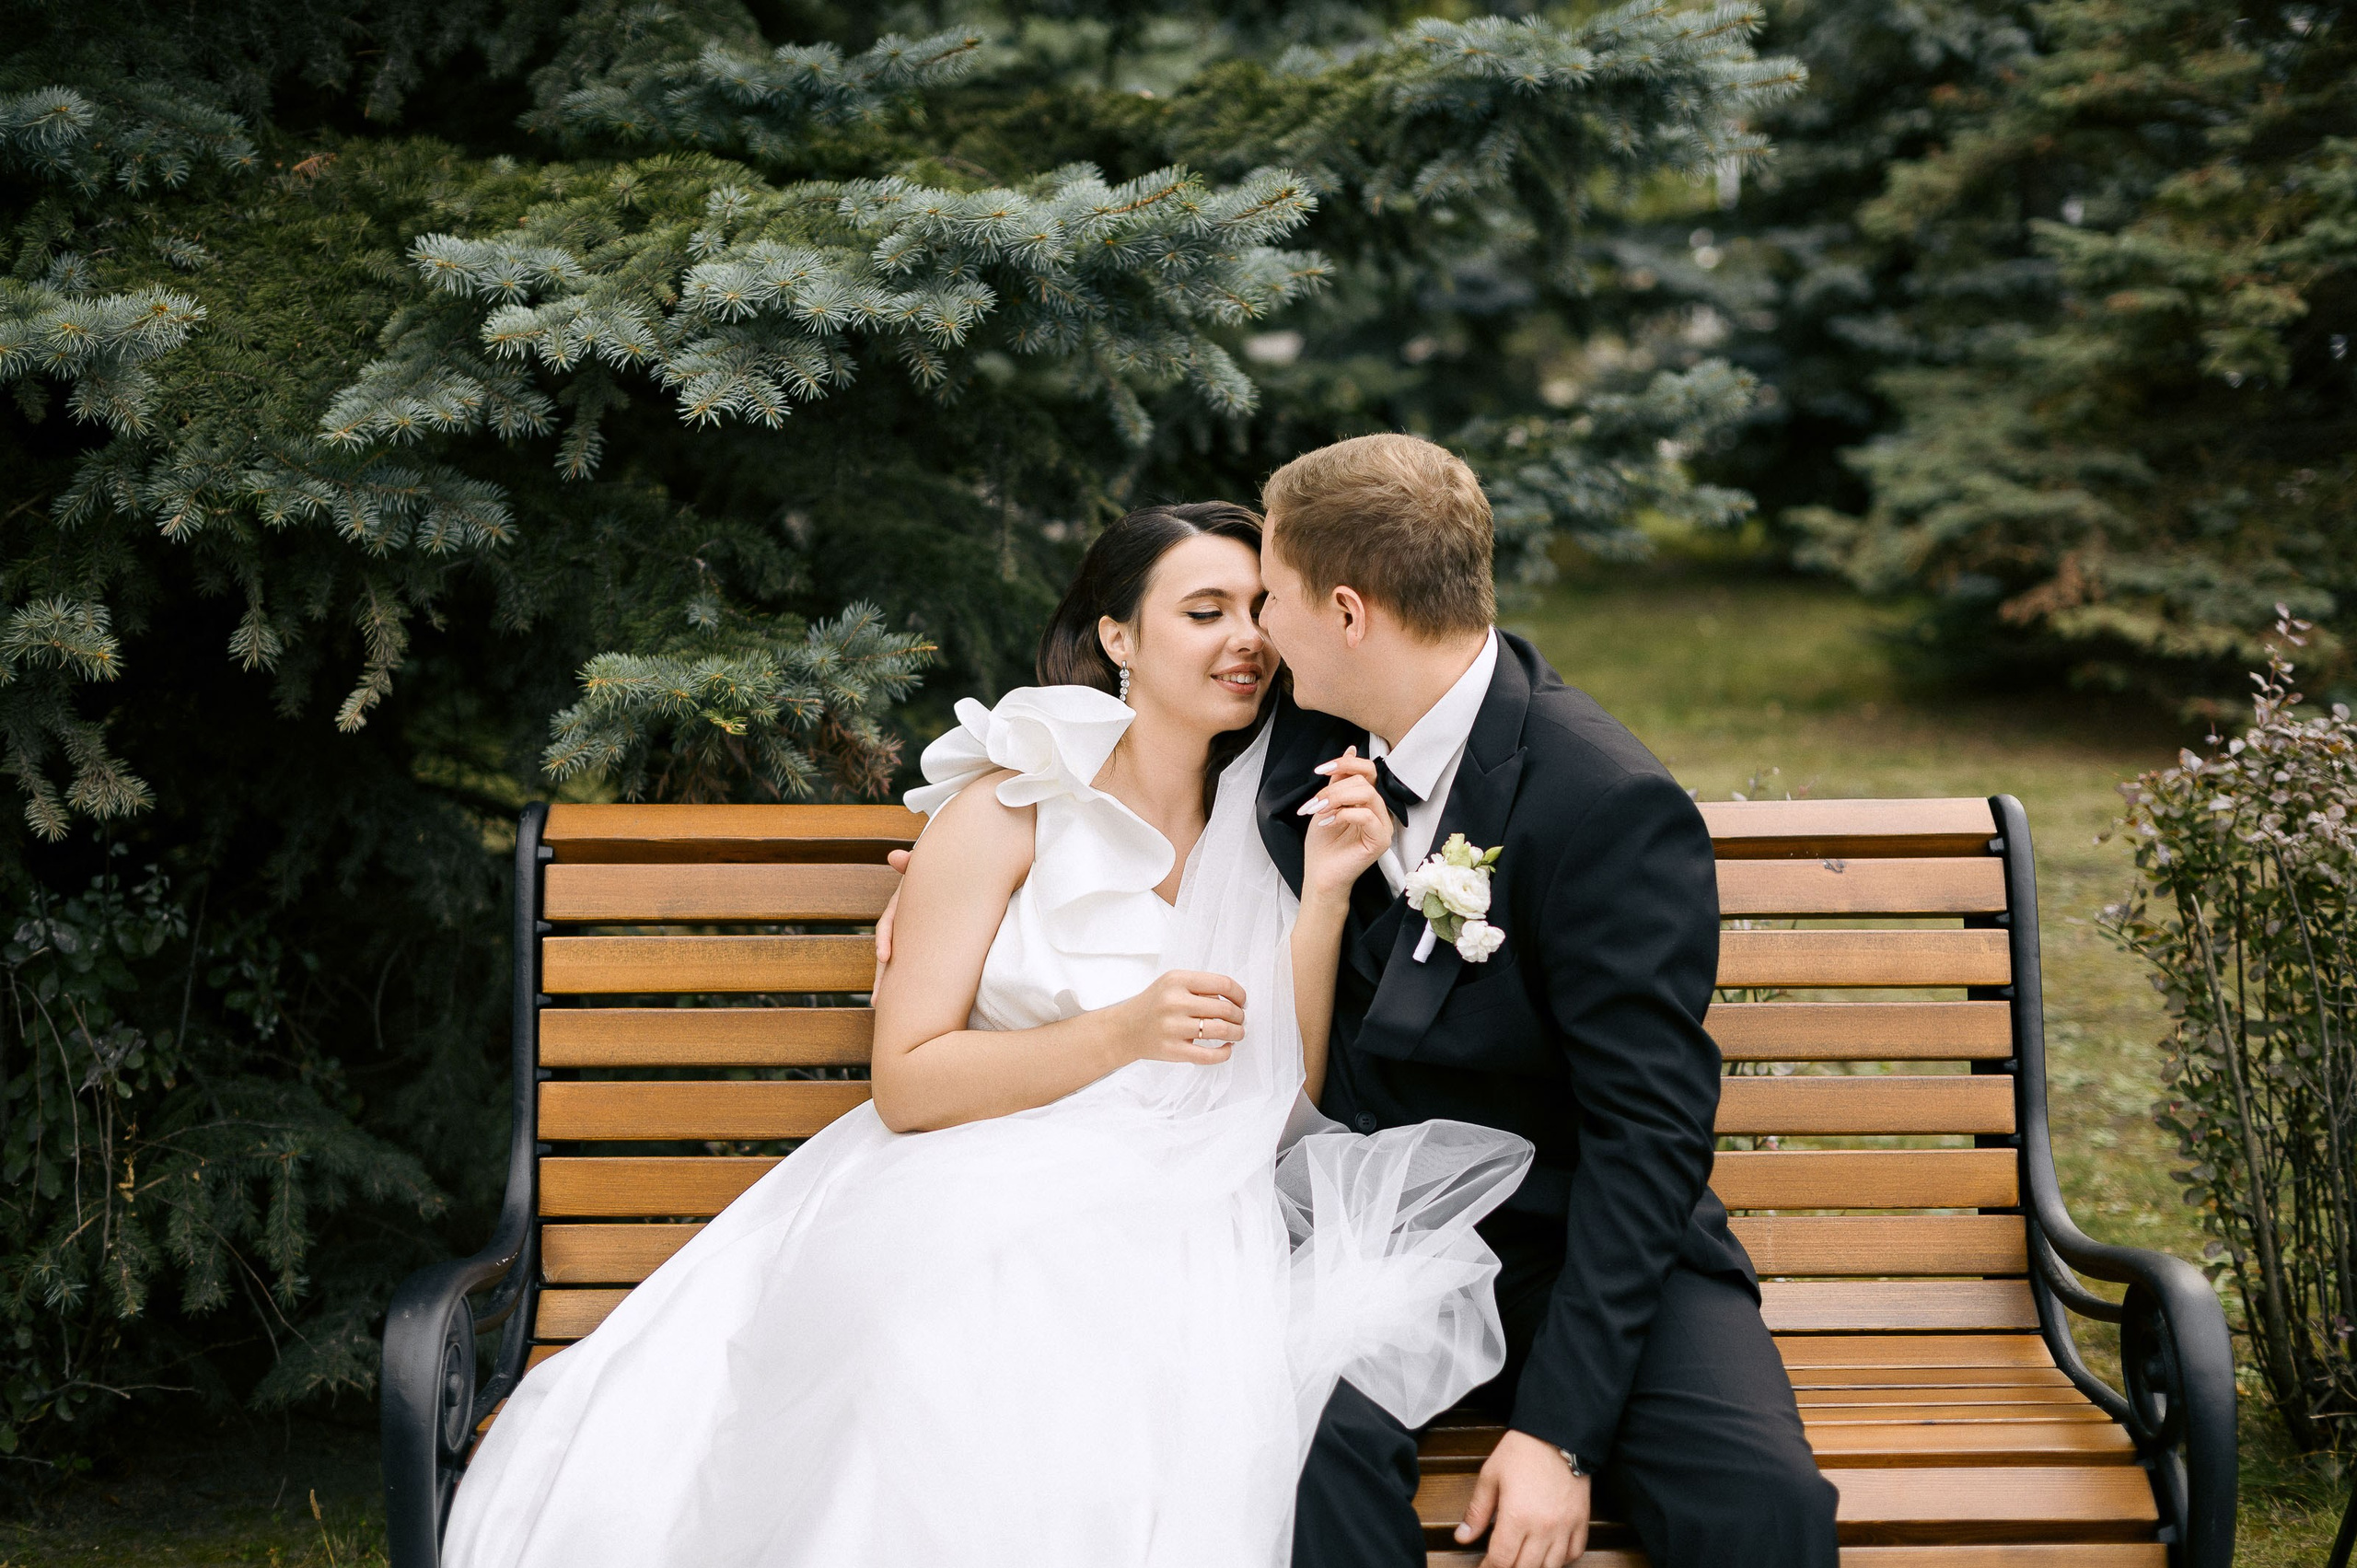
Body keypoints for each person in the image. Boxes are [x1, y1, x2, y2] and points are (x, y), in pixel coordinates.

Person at [437, 502, 1532, 1568]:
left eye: (1259, 608)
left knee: (1162, 1374)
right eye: (1203, 610)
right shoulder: (1013, 802)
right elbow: (908, 1081)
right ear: (1118, 635)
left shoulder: (1281, 811)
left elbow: (1289, 1085)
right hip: (981, 1161)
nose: (1245, 638)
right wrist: (1119, 1034)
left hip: (1204, 1186)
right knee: (970, 1336)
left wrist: (1330, 896)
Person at [1255, 435, 1840, 1568]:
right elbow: (1131, 685)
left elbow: (1649, 1133)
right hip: (1394, 1240)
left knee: (1758, 1511)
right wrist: (979, 850)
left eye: (1270, 599)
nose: (1256, 630)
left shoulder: (1603, 802)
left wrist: (1557, 1434)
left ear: (1345, 611)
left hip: (1589, 1236)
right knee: (1296, 1447)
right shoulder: (1305, 735)